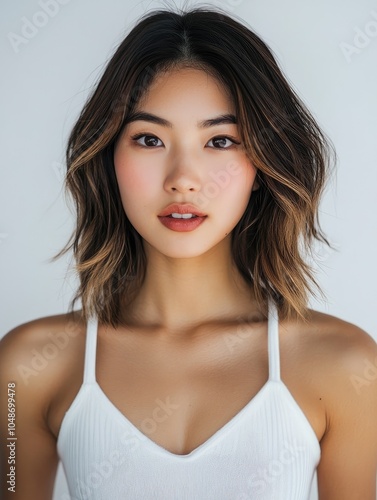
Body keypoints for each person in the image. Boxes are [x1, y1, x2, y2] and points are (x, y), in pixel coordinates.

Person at [1, 5, 376, 500]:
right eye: (149, 139)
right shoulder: (25, 369)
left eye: (219, 140)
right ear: (109, 156)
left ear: (262, 164)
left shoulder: (347, 366)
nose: (182, 178)